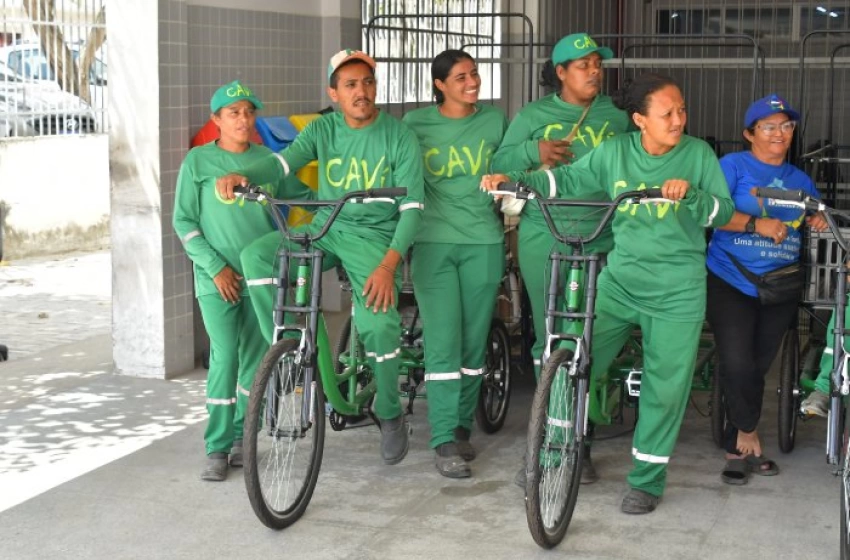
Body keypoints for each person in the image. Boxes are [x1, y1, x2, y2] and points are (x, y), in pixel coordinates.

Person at [482, 73, 735, 514]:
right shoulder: (615, 152)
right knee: (569, 360)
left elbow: (723, 211)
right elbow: (566, 180)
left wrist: (692, 197)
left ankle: (647, 480)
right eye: (667, 113)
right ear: (640, 119)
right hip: (620, 284)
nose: (679, 120)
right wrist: (517, 180)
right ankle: (557, 453)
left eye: (681, 111)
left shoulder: (697, 155)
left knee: (665, 388)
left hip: (678, 291)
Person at [215, 49, 425, 467]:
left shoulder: (398, 136)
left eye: (367, 82)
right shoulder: (322, 129)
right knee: (257, 254)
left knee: (381, 325)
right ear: (333, 92)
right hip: (327, 226)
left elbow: (413, 209)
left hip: (373, 238)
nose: (361, 91)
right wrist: (245, 176)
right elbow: (281, 163)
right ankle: (289, 340)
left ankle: (388, 411)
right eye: (350, 85)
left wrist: (388, 265)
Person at [492, 32, 632, 484]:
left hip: (605, 235)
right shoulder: (535, 116)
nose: (594, 70)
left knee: (592, 335)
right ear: (560, 73)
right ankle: (551, 437)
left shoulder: (616, 116)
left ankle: (581, 436)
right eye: (583, 64)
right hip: (544, 233)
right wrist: (536, 151)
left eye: (597, 63)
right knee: (552, 334)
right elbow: (500, 161)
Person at [173, 81, 314, 481]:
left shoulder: (268, 160)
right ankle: (217, 447)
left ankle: (241, 435)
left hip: (259, 276)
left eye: (249, 112)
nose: (243, 119)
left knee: (255, 359)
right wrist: (215, 267)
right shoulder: (198, 163)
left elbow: (302, 198)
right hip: (215, 278)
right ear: (216, 120)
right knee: (225, 356)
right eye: (233, 112)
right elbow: (183, 221)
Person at [705, 94, 828, 485]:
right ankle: (745, 435)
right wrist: (756, 224)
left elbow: (815, 217)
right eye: (769, 126)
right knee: (739, 361)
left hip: (781, 284)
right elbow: (711, 213)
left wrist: (818, 221)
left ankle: (735, 442)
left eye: (787, 126)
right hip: (730, 278)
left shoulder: (801, 181)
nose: (780, 133)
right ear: (749, 133)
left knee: (757, 365)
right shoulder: (732, 166)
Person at [402, 50, 508, 478]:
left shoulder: (495, 121)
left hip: (483, 241)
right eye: (461, 76)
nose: (472, 81)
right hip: (432, 241)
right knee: (443, 340)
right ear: (440, 85)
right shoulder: (415, 124)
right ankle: (443, 437)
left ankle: (462, 425)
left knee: (471, 343)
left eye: (475, 73)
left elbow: (511, 164)